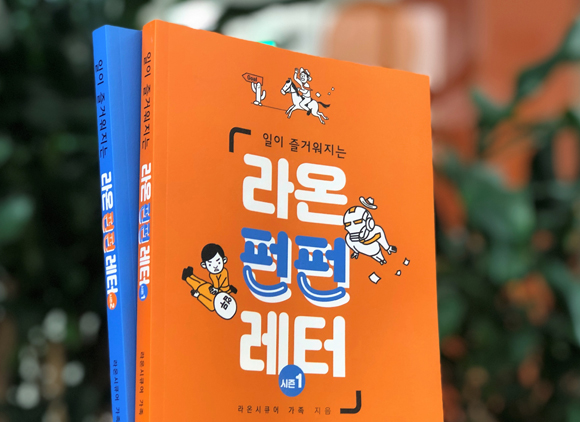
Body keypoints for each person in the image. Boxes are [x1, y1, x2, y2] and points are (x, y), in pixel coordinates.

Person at [181, 243, 237, 312]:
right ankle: (190, 276)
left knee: (199, 286)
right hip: (215, 290)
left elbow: (209, 305)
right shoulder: (213, 274)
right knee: (202, 283)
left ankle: (187, 277)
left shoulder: (224, 271)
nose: (215, 266)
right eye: (210, 264)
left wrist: (198, 295)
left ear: (224, 260)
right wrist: (216, 289)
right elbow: (217, 284)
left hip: (216, 292)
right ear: (204, 265)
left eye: (218, 262)